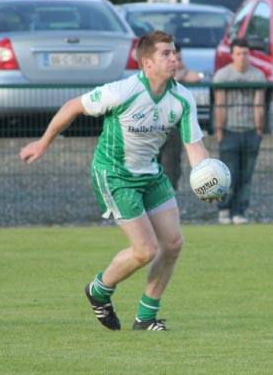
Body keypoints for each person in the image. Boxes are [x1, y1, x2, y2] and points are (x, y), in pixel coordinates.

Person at [20, 31, 216, 331]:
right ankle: (98, 290)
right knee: (145, 250)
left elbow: (195, 148)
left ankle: (146, 318)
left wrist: (206, 181)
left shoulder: (182, 98)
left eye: (174, 52)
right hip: (114, 175)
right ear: (147, 63)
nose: (174, 58)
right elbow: (73, 106)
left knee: (173, 243)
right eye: (166, 53)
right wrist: (43, 142)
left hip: (150, 174)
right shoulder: (122, 91)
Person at [213, 37, 266, 225]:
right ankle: (224, 209)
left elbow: (259, 105)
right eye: (238, 53)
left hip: (251, 130)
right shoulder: (222, 75)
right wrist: (219, 130)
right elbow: (220, 105)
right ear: (232, 55)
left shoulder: (257, 76)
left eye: (245, 53)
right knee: (228, 173)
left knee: (246, 174)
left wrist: (259, 129)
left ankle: (240, 211)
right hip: (229, 130)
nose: (242, 57)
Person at [157, 44, 201, 190]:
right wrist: (180, 76)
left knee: (171, 170)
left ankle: (166, 202)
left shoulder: (179, 72)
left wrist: (180, 74)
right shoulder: (157, 75)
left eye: (179, 59)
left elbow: (195, 77)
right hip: (152, 127)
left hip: (173, 128)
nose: (176, 62)